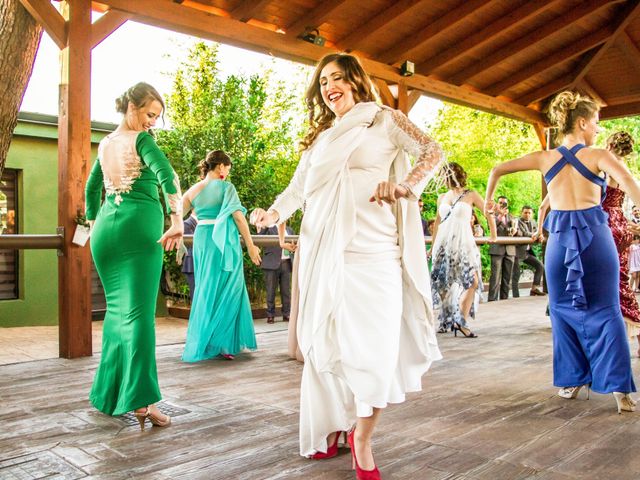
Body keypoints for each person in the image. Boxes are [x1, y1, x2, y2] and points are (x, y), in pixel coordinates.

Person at [251, 52, 443, 479]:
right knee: (325, 347)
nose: (329, 87)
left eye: (336, 78)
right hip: (323, 254)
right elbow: (296, 191)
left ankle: (363, 437)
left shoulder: (385, 120)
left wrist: (405, 186)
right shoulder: (322, 138)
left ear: (355, 80)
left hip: (374, 256)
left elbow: (433, 150)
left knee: (373, 351)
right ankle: (333, 425)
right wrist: (273, 215)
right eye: (323, 82)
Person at [485, 90, 639, 414]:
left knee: (562, 309)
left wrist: (489, 201)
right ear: (582, 122)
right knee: (607, 310)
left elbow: (497, 169)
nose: (597, 129)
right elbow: (630, 183)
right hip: (596, 238)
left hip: (558, 241)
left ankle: (573, 379)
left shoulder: (544, 158)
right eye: (595, 122)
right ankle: (620, 389)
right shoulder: (598, 155)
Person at [85, 82, 183, 430]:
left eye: (156, 117)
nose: (152, 123)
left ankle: (109, 395)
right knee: (139, 317)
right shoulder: (142, 141)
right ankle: (144, 402)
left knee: (116, 313)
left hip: (105, 232)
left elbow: (92, 188)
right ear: (131, 106)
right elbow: (167, 176)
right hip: (140, 230)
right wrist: (176, 220)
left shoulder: (105, 143)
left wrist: (94, 220)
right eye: (149, 114)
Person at [181, 150, 261, 362]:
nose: (227, 172)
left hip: (202, 240)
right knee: (230, 288)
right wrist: (251, 246)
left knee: (206, 288)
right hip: (224, 242)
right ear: (221, 167)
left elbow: (176, 215)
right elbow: (239, 218)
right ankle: (224, 343)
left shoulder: (193, 190)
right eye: (227, 168)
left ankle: (204, 340)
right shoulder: (227, 188)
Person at [430, 162, 496, 337]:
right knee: (442, 283)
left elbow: (487, 213)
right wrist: (432, 246)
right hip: (443, 245)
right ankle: (448, 318)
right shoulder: (442, 197)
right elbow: (437, 222)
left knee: (472, 281)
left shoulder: (471, 194)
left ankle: (460, 320)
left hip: (464, 244)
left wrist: (493, 235)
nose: (442, 180)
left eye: (444, 176)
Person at [602, 131, 640, 357]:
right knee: (621, 280)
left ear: (610, 144)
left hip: (604, 224)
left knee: (612, 281)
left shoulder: (607, 166)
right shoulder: (622, 166)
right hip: (620, 224)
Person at [258, 222, 296, 323]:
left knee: (286, 292)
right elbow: (260, 237)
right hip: (271, 263)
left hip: (286, 263)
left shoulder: (289, 230)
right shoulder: (269, 228)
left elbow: (294, 244)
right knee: (270, 291)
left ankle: (286, 314)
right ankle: (270, 315)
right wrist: (264, 224)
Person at [512, 205, 545, 297]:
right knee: (516, 274)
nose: (527, 214)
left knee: (540, 266)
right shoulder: (517, 221)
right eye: (525, 212)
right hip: (517, 252)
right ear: (521, 213)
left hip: (527, 252)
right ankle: (516, 296)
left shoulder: (533, 222)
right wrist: (536, 234)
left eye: (529, 213)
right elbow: (522, 233)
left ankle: (534, 289)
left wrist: (540, 235)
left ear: (532, 214)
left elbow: (538, 232)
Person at [488, 195, 517, 301]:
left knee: (507, 277)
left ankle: (504, 299)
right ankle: (492, 299)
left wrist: (515, 231)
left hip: (510, 249)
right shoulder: (492, 216)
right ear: (497, 204)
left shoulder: (512, 217)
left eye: (504, 203)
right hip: (497, 249)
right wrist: (500, 216)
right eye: (500, 203)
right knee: (495, 277)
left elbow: (517, 230)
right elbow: (491, 228)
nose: (502, 205)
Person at [181, 213, 198, 300]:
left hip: (200, 261)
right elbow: (189, 244)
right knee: (194, 293)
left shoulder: (200, 221)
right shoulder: (186, 223)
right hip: (191, 264)